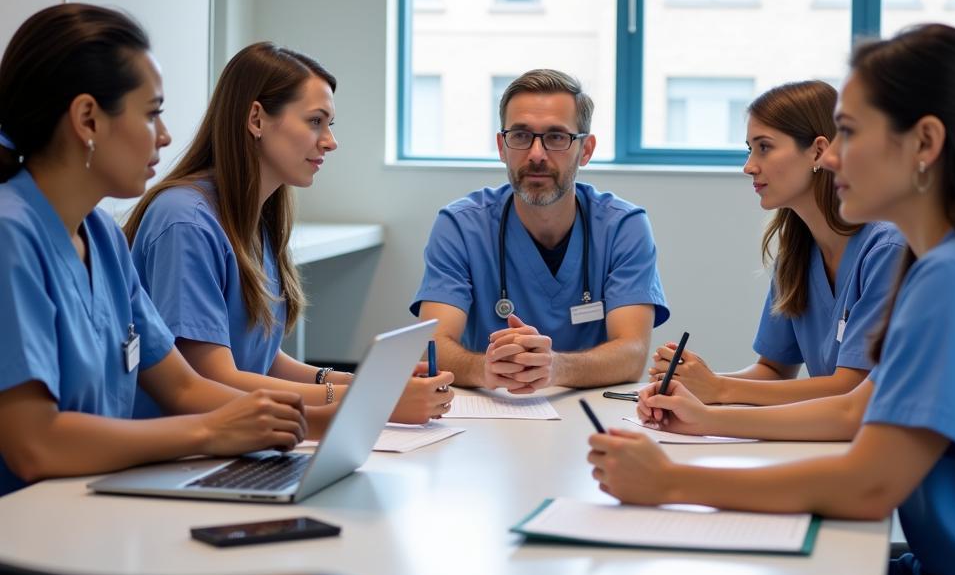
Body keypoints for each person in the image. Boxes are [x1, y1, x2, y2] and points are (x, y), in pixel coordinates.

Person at [589, 23, 955, 575]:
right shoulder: (942, 263)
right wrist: (713, 417)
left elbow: (869, 483)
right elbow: (861, 414)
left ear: (923, 143)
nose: (830, 153)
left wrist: (670, 482)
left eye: (847, 133)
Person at [0, 4, 307, 498]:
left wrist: (302, 419)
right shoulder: (10, 235)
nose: (164, 135)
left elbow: (183, 388)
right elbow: (34, 444)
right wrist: (211, 432)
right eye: (152, 113)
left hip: (93, 509)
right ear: (87, 119)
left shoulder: (100, 235)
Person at [124, 43, 453, 435]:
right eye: (316, 121)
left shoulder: (253, 217)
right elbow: (212, 379)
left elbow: (263, 361)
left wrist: (369, 383)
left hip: (240, 440)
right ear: (257, 119)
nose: (330, 141)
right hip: (181, 449)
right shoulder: (186, 221)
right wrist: (369, 400)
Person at [412, 68, 669, 393]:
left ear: (586, 149)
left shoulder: (623, 227)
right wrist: (486, 369)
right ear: (502, 147)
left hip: (588, 418)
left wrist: (554, 367)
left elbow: (632, 355)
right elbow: (432, 346)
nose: (536, 154)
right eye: (520, 136)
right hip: (488, 414)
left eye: (556, 137)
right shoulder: (461, 227)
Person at [651, 80, 904, 407]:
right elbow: (774, 370)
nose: (748, 166)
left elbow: (852, 388)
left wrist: (719, 390)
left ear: (818, 150)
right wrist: (691, 384)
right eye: (749, 149)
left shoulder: (886, 250)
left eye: (764, 147)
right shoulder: (797, 253)